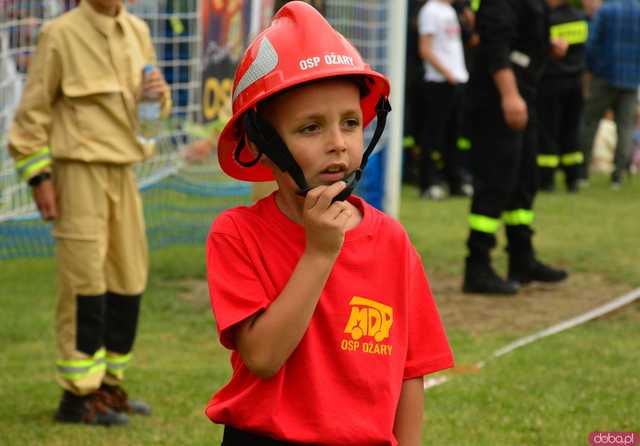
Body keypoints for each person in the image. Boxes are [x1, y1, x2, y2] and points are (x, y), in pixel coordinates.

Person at [205, 3, 454, 445]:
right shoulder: (237, 233)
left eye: (351, 123)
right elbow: (262, 357)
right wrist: (320, 252)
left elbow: (409, 369)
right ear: (259, 144)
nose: (338, 144)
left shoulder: (391, 239)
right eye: (310, 128)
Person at [7, 0, 171, 426]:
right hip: (78, 173)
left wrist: (156, 100)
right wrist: (39, 179)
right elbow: (31, 117)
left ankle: (109, 385)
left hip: (125, 172)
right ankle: (77, 397)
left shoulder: (137, 31)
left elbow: (151, 117)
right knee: (85, 284)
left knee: (128, 280)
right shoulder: (59, 34)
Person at [462, 0, 570, 295]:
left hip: (525, 94)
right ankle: (478, 265)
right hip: (497, 101)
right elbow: (496, 48)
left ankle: (522, 258)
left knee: (524, 180)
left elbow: (524, 37)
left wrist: (549, 45)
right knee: (496, 181)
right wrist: (510, 96)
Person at [579, 0, 640, 189]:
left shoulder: (605, 10)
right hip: (630, 79)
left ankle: (581, 173)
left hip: (604, 76)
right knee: (625, 127)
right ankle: (618, 176)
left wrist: (592, 68)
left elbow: (592, 42)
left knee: (590, 123)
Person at [417, 0, 471, 200]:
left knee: (453, 134)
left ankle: (454, 181)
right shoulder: (430, 10)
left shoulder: (450, 10)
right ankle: (428, 183)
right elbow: (425, 49)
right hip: (439, 82)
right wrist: (446, 72)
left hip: (457, 80)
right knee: (433, 134)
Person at [536, 0, 588, 193]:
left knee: (547, 130)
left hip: (551, 81)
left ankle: (546, 179)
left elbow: (542, 48)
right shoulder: (580, 17)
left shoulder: (548, 19)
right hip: (575, 81)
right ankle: (573, 178)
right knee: (571, 130)